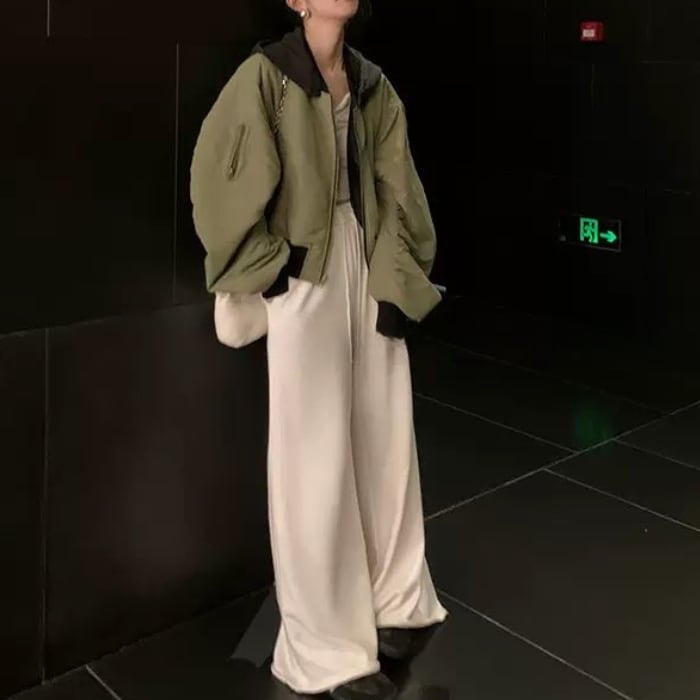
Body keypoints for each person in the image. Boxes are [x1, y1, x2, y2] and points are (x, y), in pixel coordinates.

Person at [189, 1, 447, 698]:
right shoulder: (264, 77)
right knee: (314, 458)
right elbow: (218, 180)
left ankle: (397, 601)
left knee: (387, 438)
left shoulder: (371, 82)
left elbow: (400, 189)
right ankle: (325, 648)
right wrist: (272, 271)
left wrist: (397, 278)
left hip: (365, 265)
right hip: (304, 275)